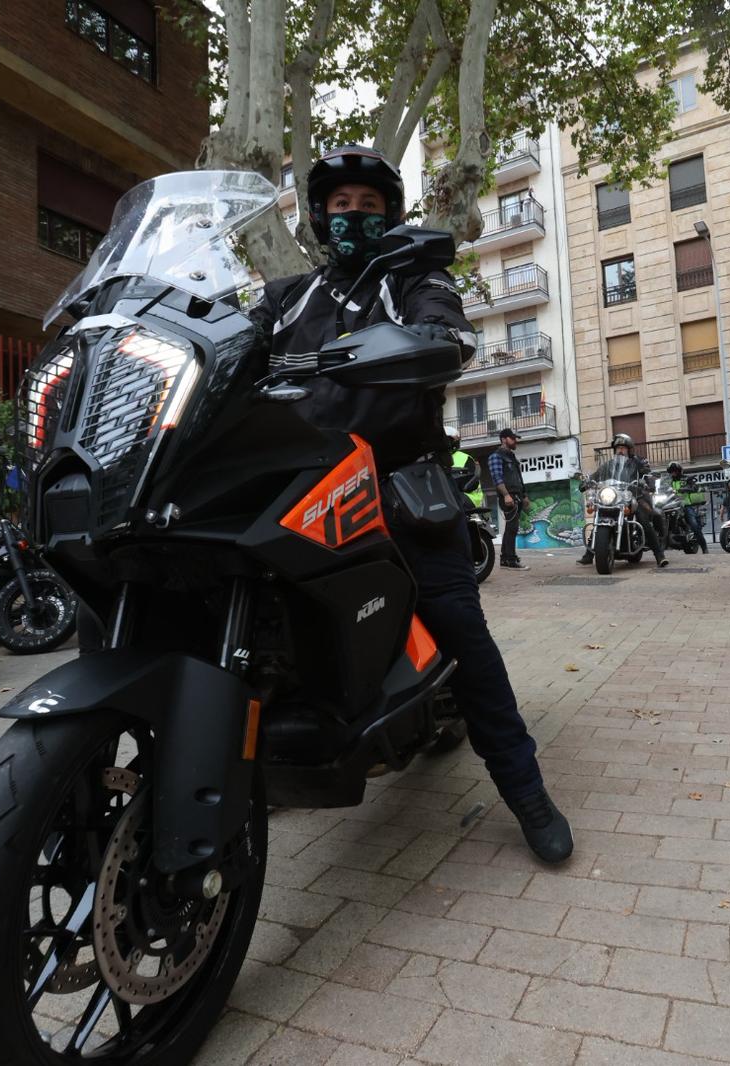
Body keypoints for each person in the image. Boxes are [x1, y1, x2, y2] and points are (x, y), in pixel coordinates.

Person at [247, 145, 570, 862]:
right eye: (341, 205)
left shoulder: (412, 279)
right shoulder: (285, 297)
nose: (353, 216)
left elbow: (446, 331)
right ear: (319, 217)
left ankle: (526, 790)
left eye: (368, 206)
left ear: (389, 215)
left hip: (394, 484)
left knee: (459, 624)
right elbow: (231, 345)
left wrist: (433, 339)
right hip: (295, 489)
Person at [578, 433, 668, 568]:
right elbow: (596, 475)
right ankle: (589, 555)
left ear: (629, 450)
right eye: (618, 448)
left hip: (633, 497)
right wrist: (587, 482)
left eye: (623, 448)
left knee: (643, 519)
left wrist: (648, 482)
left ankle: (659, 555)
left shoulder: (638, 463)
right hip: (614, 498)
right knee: (600, 515)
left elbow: (647, 474)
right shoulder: (609, 465)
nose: (620, 450)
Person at [487, 428, 528, 570]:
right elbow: (497, 478)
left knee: (511, 528)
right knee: (512, 528)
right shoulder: (496, 456)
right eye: (513, 438)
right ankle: (510, 560)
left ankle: (506, 559)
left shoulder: (511, 457)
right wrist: (506, 495)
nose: (515, 441)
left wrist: (524, 495)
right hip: (509, 496)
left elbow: (519, 478)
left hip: (517, 496)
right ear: (504, 439)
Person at [666, 462, 707, 553]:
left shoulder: (686, 478)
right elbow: (662, 488)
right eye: (671, 472)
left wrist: (683, 489)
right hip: (670, 505)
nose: (673, 473)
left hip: (685, 505)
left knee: (694, 525)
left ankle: (704, 547)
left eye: (674, 471)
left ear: (679, 471)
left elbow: (692, 487)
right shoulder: (668, 481)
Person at [446, 426, 484, 510]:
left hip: (470, 497)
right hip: (449, 496)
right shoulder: (435, 460)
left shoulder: (465, 458)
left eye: (447, 440)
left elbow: (472, 484)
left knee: (449, 498)